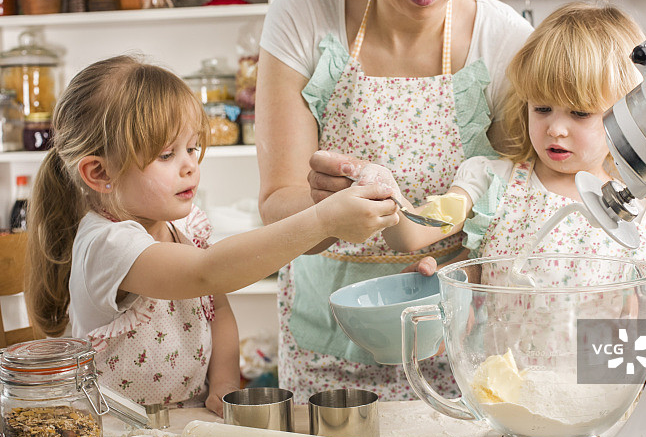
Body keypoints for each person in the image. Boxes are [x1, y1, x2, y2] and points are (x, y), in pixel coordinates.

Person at [25, 55, 399, 415]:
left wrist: (222, 382)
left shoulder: (184, 228)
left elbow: (217, 310)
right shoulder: (107, 245)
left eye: (191, 148)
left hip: (184, 417)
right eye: (166, 155)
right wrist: (324, 220)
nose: (190, 166)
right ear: (100, 173)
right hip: (119, 431)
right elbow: (206, 272)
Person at [256, 0, 533, 402]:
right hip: (326, 344)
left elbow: (509, 205)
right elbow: (276, 203)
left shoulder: (505, 41)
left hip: (452, 340)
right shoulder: (303, 17)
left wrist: (460, 273)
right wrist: (330, 218)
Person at [381, 2, 646, 265]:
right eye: (541, 109)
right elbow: (411, 234)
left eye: (579, 113)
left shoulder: (645, 217)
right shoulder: (492, 184)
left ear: (625, 118)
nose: (555, 128)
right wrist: (382, 191)